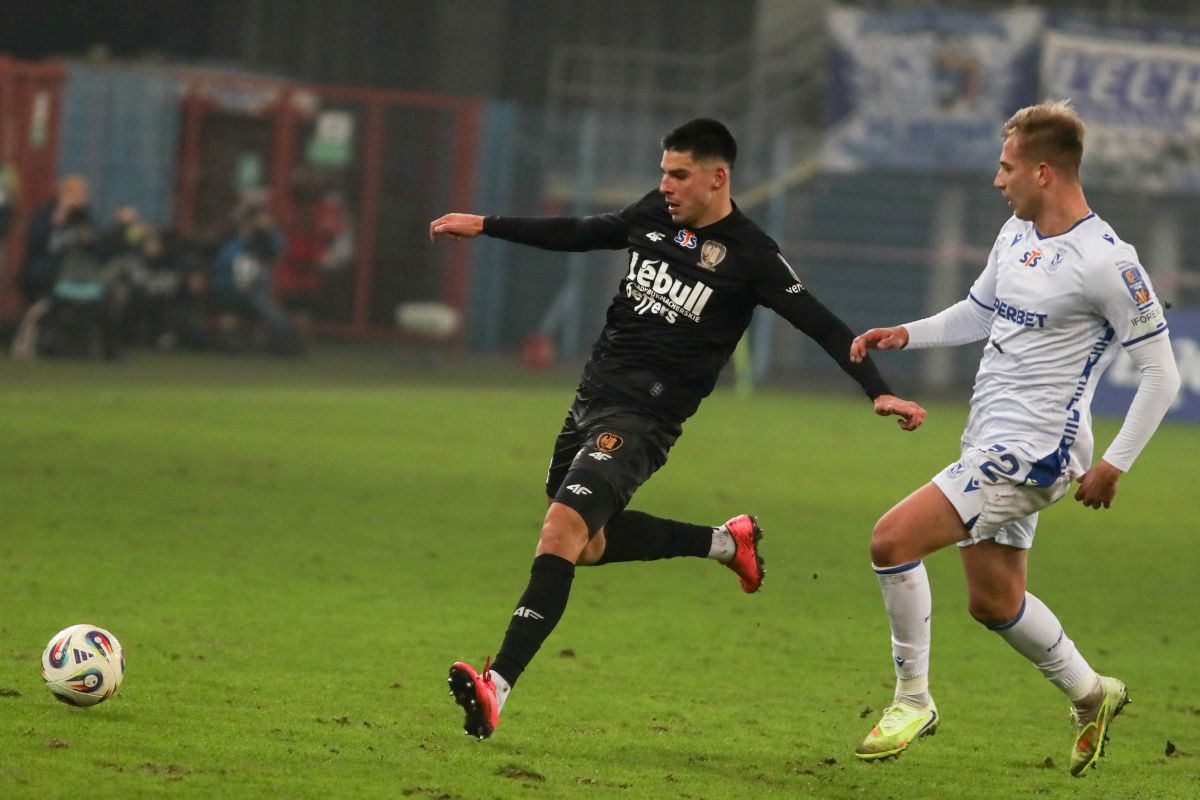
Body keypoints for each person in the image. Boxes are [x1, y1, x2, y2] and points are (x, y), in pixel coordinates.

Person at [429, 118, 927, 740]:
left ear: (717, 178)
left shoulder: (751, 254)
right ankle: (725, 544)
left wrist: (879, 391)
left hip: (644, 418)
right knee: (586, 542)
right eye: (663, 172)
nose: (665, 185)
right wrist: (486, 224)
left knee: (561, 530)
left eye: (679, 175)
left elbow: (821, 324)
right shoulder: (652, 214)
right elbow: (582, 232)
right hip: (590, 400)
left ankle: (496, 686)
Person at [848, 100, 1181, 776]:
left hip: (1035, 454)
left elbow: (1162, 373)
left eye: (1006, 167)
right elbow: (979, 312)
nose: (997, 180)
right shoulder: (1016, 234)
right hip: (988, 440)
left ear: (1044, 171)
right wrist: (907, 333)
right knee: (994, 601)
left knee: (891, 540)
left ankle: (912, 700)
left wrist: (1114, 464)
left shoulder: (1106, 261)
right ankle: (1093, 695)